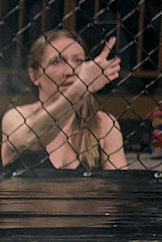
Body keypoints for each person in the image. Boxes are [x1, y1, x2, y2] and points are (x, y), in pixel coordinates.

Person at [1, 29, 126, 170]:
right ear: (34, 75)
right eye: (57, 62)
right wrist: (80, 88)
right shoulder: (16, 117)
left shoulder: (103, 123)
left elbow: (117, 182)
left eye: (79, 61)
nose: (71, 71)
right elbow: (30, 141)